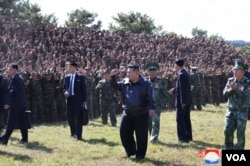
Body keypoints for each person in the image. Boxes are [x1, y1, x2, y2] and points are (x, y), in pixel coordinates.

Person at [110, 64, 155, 160]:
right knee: (124, 132)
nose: (128, 74)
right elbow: (115, 86)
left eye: (129, 72)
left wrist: (151, 108)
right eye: (127, 72)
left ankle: (140, 155)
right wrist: (113, 77)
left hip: (141, 113)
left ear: (137, 73)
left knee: (141, 136)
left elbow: (150, 97)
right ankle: (130, 151)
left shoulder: (146, 83)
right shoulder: (125, 82)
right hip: (127, 113)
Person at [223, 60, 250, 150]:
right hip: (231, 112)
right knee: (227, 131)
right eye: (234, 69)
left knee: (240, 135)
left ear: (242, 71)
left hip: (242, 113)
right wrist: (230, 90)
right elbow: (224, 94)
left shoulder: (247, 82)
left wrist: (236, 89)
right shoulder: (230, 80)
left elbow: (247, 96)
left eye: (237, 70)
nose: (234, 72)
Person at [0, 63, 28, 145]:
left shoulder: (15, 78)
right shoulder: (19, 77)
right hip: (21, 104)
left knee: (11, 123)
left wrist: (7, 93)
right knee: (22, 122)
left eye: (10, 69)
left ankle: (4, 139)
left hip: (15, 105)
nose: (9, 70)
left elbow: (14, 91)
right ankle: (24, 139)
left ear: (14, 69)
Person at [168, 59, 193, 143]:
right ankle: (189, 136)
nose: (174, 67)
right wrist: (174, 90)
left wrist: (183, 102)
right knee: (186, 119)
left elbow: (183, 90)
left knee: (180, 119)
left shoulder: (181, 75)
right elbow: (183, 87)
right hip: (187, 100)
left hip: (182, 102)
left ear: (177, 65)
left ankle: (183, 138)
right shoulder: (185, 73)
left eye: (174, 65)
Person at [146, 62, 170, 144]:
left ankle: (154, 139)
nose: (152, 72)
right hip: (147, 106)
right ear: (148, 72)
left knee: (155, 121)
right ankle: (152, 135)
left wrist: (167, 102)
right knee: (149, 122)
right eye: (150, 71)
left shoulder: (160, 81)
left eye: (154, 71)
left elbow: (164, 92)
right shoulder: (145, 81)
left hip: (157, 105)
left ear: (156, 72)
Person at [64, 61, 87, 140]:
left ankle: (78, 135)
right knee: (70, 117)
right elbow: (64, 87)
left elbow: (84, 89)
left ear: (74, 67)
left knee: (78, 117)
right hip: (69, 100)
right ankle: (72, 133)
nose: (68, 68)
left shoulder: (80, 77)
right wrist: (65, 92)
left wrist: (84, 100)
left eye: (69, 67)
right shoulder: (67, 77)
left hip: (78, 100)